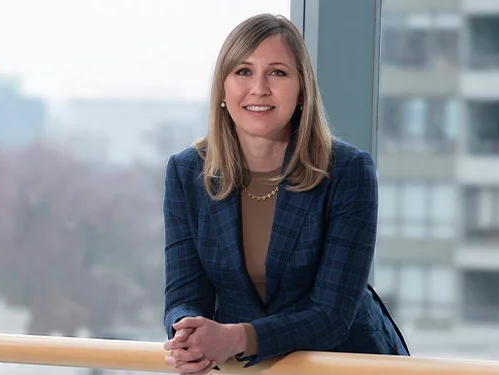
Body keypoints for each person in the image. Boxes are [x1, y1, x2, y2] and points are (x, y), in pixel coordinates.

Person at [160, 14, 408, 374]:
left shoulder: (348, 170)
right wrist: (187, 333)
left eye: (277, 72)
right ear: (223, 89)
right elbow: (184, 296)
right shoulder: (187, 172)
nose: (259, 88)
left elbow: (332, 316)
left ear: (302, 89)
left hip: (345, 361)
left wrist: (236, 337)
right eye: (243, 71)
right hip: (247, 369)